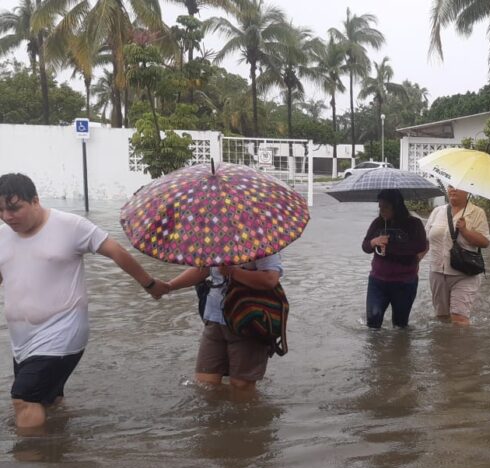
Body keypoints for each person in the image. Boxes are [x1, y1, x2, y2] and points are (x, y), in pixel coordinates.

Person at [0, 173, 168, 430]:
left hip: (62, 333)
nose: (7, 216)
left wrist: (150, 284)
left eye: (14, 208)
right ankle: (63, 453)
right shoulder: (3, 235)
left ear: (35, 200)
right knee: (50, 400)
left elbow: (116, 251)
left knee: (23, 399)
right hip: (22, 340)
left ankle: (32, 462)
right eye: (0, 210)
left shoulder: (70, 225)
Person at [161, 254, 283, 394]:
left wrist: (233, 272)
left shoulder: (260, 239)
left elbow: (270, 279)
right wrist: (169, 286)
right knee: (205, 385)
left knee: (241, 387)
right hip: (213, 318)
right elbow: (203, 270)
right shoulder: (214, 239)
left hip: (248, 321)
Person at [424, 185, 490, 326]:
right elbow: (426, 240)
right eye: (451, 186)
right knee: (441, 318)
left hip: (464, 273)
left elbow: (485, 242)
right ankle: (444, 347)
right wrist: (414, 260)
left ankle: (461, 347)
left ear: (468, 191)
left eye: (458, 187)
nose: (453, 190)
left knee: (459, 319)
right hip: (437, 272)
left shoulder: (477, 212)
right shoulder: (437, 211)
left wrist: (465, 231)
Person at [361, 190, 428, 329]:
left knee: (400, 325)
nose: (382, 211)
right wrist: (375, 242)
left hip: (405, 282)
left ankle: (400, 349)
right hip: (377, 281)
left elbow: (421, 245)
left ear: (397, 206)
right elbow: (365, 246)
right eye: (380, 207)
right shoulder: (378, 223)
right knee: (373, 322)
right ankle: (375, 350)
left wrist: (391, 247)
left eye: (385, 207)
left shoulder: (414, 224)